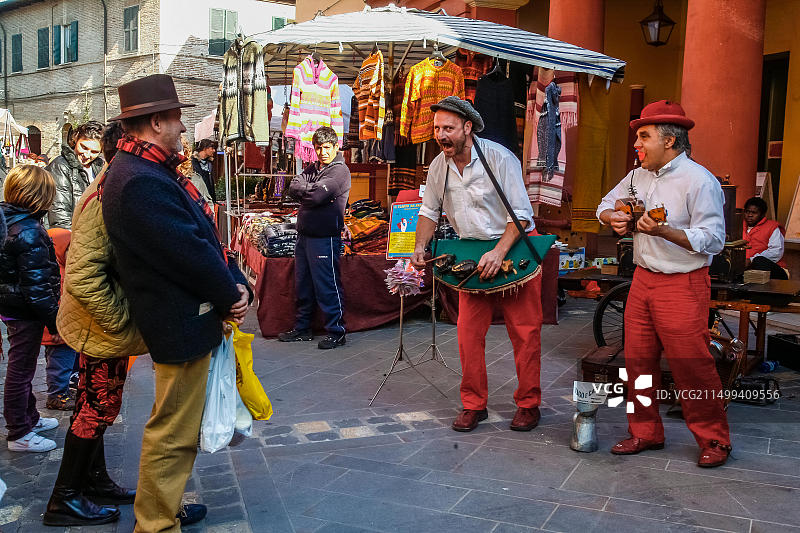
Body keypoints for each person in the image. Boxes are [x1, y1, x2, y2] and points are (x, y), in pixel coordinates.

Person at [101, 74, 250, 532]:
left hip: (182, 317)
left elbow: (195, 244)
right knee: (173, 433)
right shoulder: (140, 180)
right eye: (178, 119)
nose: (183, 128)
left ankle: (162, 513)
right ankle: (155, 524)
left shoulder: (142, 171)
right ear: (156, 121)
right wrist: (230, 293)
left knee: (177, 429)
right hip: (179, 320)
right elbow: (189, 252)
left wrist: (231, 283)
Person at [597, 100, 732, 468]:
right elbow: (605, 203)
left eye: (644, 136)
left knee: (692, 365)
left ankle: (714, 438)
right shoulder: (638, 175)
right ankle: (645, 431)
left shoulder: (699, 180)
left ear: (670, 141)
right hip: (642, 280)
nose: (636, 145)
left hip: (683, 283)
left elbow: (714, 240)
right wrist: (615, 218)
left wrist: (665, 232)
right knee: (638, 361)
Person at [410, 97, 543, 433]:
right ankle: (473, 404)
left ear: (467, 128)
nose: (441, 135)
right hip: (472, 256)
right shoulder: (439, 165)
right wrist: (420, 245)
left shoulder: (500, 158)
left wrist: (498, 252)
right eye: (438, 128)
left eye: (448, 129)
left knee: (525, 335)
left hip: (512, 249)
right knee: (468, 335)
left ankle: (528, 404)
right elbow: (428, 211)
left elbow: (521, 214)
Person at [41, 120, 138, 527]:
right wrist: (117, 324)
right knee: (96, 409)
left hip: (92, 322)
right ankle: (64, 498)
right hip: (97, 325)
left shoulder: (105, 181)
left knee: (92, 405)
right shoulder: (104, 191)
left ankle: (93, 480)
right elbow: (84, 275)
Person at [0, 165, 61, 453]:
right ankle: (19, 432)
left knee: (21, 367)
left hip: (15, 307)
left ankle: (29, 419)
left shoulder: (10, 220)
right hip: (24, 311)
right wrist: (54, 322)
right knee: (21, 370)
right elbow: (37, 289)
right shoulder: (29, 231)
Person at [279, 126, 351, 350]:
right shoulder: (314, 168)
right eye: (318, 148)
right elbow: (293, 186)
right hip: (305, 236)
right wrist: (308, 190)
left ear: (336, 146)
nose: (322, 152)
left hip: (324, 237)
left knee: (327, 285)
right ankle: (302, 328)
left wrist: (307, 191)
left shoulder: (340, 171)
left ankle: (337, 332)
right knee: (303, 285)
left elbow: (317, 195)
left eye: (327, 148)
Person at [40, 228, 79, 411]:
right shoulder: (59, 274)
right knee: (59, 363)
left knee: (60, 362)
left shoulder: (56, 269)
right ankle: (57, 396)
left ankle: (60, 390)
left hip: (62, 328)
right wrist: (57, 328)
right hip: (58, 330)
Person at [46, 121, 105, 229]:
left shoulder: (99, 167)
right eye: (84, 147)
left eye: (94, 152)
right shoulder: (60, 166)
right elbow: (59, 214)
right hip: (73, 236)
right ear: (76, 139)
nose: (87, 155)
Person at [742, 196, 788, 280]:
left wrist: (751, 260)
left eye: (754, 212)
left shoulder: (772, 227)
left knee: (760, 261)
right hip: (746, 269)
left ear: (762, 214)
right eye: (747, 212)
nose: (749, 215)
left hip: (773, 269)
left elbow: (776, 252)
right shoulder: (737, 226)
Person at [179, 137, 213, 205]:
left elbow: (208, 205)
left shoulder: (196, 179)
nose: (214, 150)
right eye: (212, 148)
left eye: (178, 149)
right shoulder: (158, 177)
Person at [191, 138, 217, 203]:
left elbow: (210, 182)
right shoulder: (192, 162)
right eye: (212, 148)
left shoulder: (209, 163)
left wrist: (214, 200)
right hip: (197, 198)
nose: (214, 150)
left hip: (208, 199)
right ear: (205, 149)